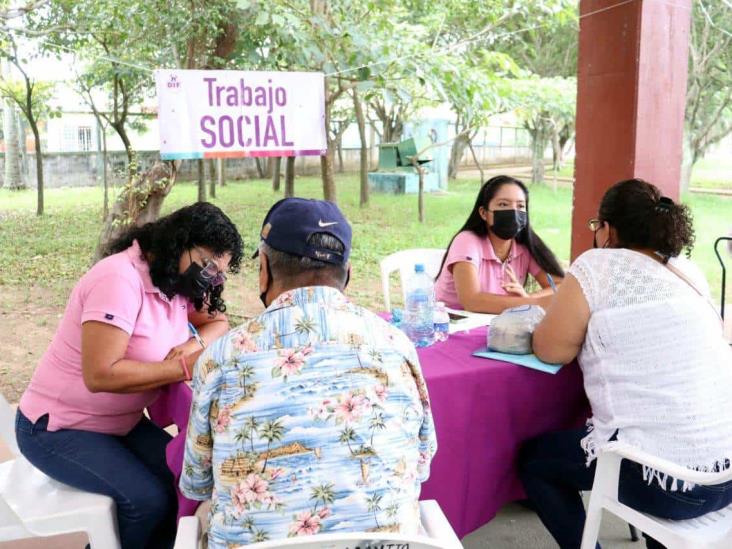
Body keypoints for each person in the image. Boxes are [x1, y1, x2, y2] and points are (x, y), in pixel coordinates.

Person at [180, 197, 437, 548]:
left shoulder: (221, 357)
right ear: (347, 274)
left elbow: (197, 480)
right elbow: (421, 462)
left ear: (265, 269)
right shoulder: (397, 343)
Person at [15, 202, 243, 549]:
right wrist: (184, 366)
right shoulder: (118, 280)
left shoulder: (175, 281)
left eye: (219, 272)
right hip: (58, 427)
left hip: (118, 423)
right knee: (145, 501)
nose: (211, 277)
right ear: (179, 242)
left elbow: (217, 322)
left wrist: (190, 345)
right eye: (209, 264)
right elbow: (100, 374)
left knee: (185, 482)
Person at [521, 179, 732, 549]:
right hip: (724, 476)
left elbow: (551, 349)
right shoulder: (688, 272)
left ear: (607, 229)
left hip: (669, 487)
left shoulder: (598, 266)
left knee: (536, 462)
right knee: (657, 446)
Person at [434, 175, 564, 313]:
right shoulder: (466, 241)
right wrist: (531, 303)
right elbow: (472, 301)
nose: (513, 212)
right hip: (450, 324)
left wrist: (529, 297)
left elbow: (560, 285)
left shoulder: (524, 245)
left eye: (520, 206)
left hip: (496, 323)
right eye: (503, 204)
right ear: (484, 213)